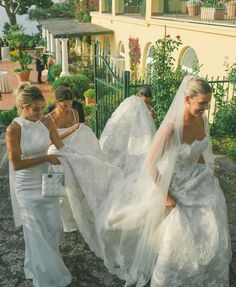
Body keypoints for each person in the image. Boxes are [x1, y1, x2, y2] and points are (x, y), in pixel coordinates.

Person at [52, 75, 231, 286]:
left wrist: (205, 170)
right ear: (187, 99)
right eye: (202, 103)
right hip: (174, 185)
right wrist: (165, 194)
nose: (206, 108)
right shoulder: (171, 128)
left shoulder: (200, 119)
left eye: (207, 103)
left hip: (198, 180)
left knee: (211, 222)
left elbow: (199, 149)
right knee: (179, 234)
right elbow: (150, 165)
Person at [6, 83, 72, 287]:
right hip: (26, 186)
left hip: (47, 180)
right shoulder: (13, 129)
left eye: (42, 108)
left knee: (54, 227)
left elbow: (60, 146)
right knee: (35, 232)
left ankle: (37, 262)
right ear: (23, 107)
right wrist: (45, 158)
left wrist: (78, 160)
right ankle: (46, 276)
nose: (41, 113)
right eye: (36, 109)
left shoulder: (47, 121)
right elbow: (16, 163)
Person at [47, 86, 104, 232]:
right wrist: (71, 130)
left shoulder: (74, 113)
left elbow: (78, 136)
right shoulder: (50, 118)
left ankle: (80, 215)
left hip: (73, 147)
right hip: (56, 148)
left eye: (70, 104)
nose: (68, 108)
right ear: (57, 102)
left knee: (85, 166)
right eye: (64, 105)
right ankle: (63, 220)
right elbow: (49, 142)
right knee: (62, 169)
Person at [99, 86, 156, 174]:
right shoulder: (131, 103)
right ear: (138, 95)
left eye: (148, 102)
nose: (146, 105)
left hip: (135, 137)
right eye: (145, 102)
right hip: (126, 133)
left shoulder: (145, 107)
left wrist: (150, 114)